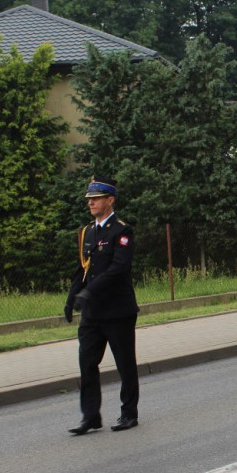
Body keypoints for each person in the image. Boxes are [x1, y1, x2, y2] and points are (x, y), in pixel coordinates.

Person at [65, 176, 140, 435]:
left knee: (125, 363)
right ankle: (90, 416)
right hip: (92, 313)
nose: (91, 203)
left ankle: (129, 413)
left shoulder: (121, 231)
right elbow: (82, 268)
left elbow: (119, 269)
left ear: (110, 200)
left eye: (96, 199)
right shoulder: (87, 232)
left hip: (118, 311)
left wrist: (89, 291)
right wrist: (71, 297)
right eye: (89, 199)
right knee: (87, 363)